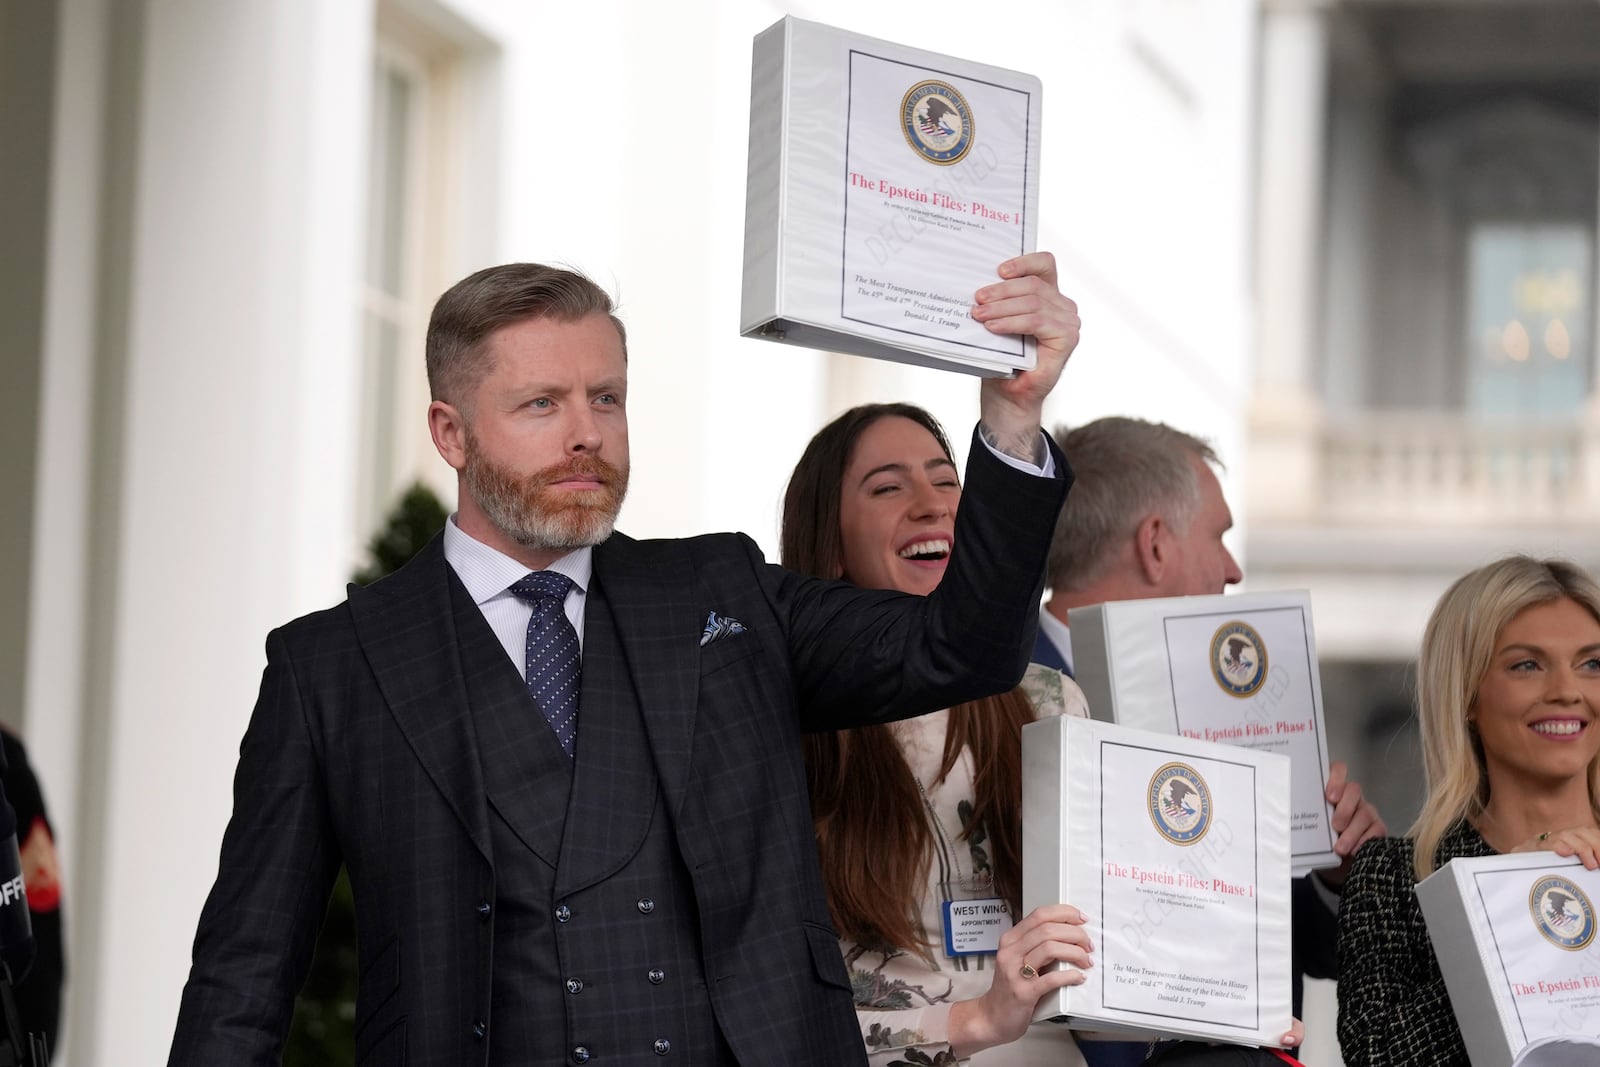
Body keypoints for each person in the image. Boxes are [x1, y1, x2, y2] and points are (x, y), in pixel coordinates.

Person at [168, 253, 1079, 1066]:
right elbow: (244, 974)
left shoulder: (722, 591)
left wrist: (1010, 417)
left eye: (606, 397)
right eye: (542, 404)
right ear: (451, 433)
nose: (587, 434)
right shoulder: (330, 665)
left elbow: (963, 647)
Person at [781, 404, 1304, 1065]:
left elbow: (1113, 936)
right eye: (888, 487)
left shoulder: (1048, 698)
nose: (931, 505)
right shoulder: (777, 722)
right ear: (829, 544)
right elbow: (764, 1014)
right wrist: (975, 1019)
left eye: (947, 481)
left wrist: (1219, 1002)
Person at [1034, 416, 1385, 1063]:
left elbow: (1312, 941)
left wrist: (1340, 873)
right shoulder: (988, 703)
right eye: (1219, 535)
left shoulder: (1242, 709)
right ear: (1156, 544)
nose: (1231, 567)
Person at [1336, 556, 1600, 1066]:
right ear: (1467, 696)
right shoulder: (1392, 878)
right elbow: (1377, 1058)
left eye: (1592, 663)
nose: (1568, 691)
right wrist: (1511, 908)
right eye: (1527, 665)